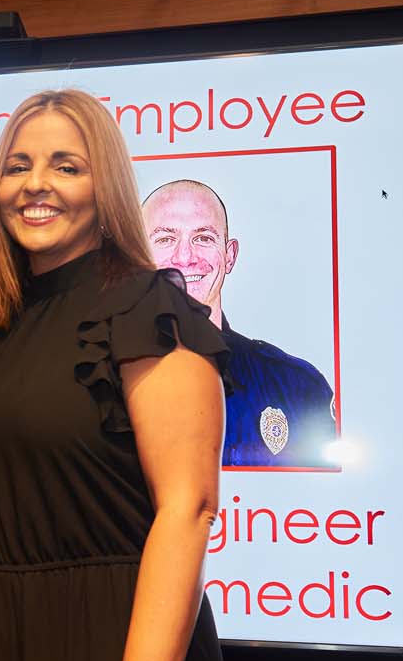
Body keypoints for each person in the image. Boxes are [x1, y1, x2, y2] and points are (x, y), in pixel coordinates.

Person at [0, 90, 229, 661]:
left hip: (110, 647)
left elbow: (187, 510)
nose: (36, 184)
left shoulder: (146, 306)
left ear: (106, 188)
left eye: (67, 165)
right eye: (19, 165)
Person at [141, 179, 336, 466]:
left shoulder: (296, 387)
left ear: (230, 256)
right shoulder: (85, 386)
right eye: (166, 239)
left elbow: (333, 503)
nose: (185, 257)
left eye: (203, 238)